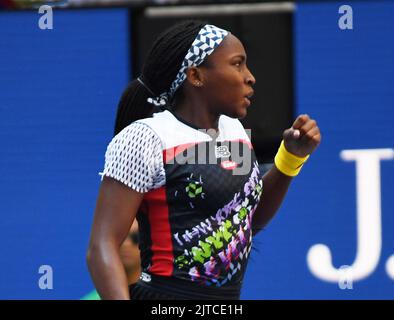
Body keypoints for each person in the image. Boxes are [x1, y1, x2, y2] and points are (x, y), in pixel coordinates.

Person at [86, 20, 321, 300]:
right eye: (237, 64)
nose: (250, 77)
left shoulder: (233, 131)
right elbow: (102, 246)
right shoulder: (145, 137)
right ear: (196, 75)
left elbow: (246, 221)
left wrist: (290, 158)